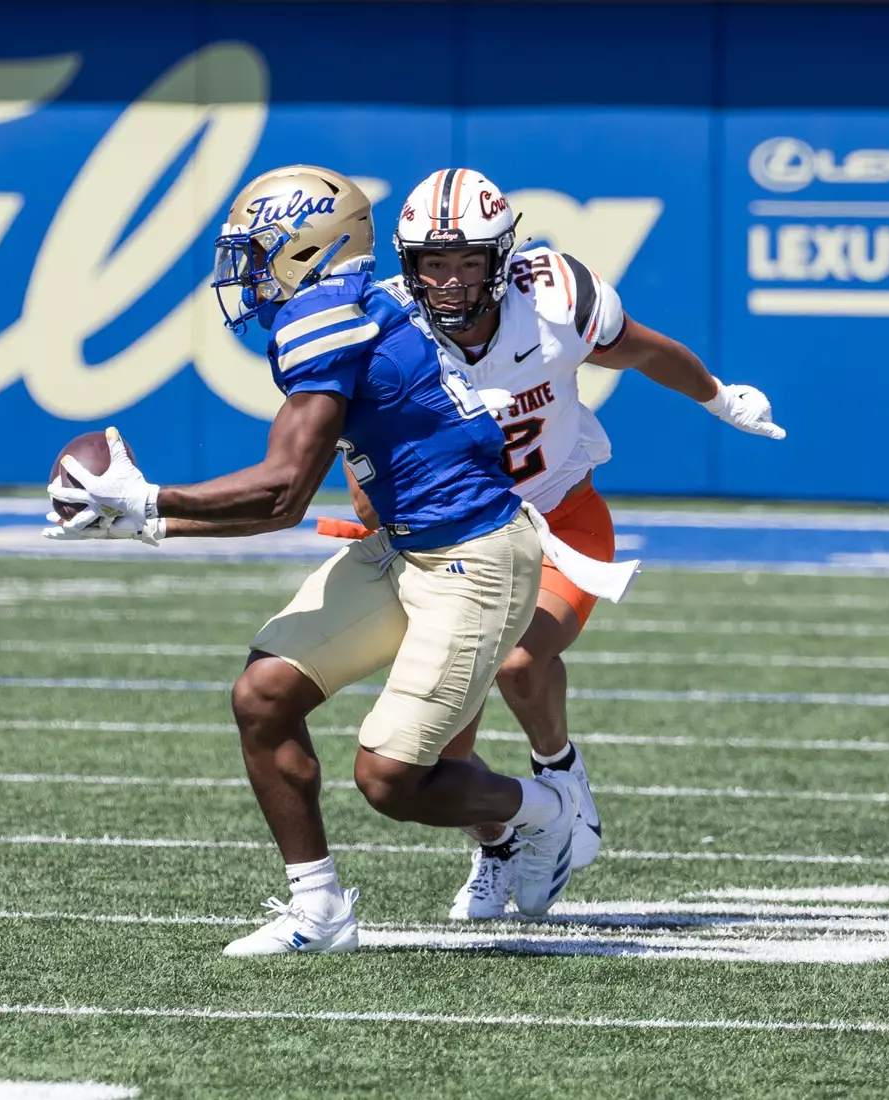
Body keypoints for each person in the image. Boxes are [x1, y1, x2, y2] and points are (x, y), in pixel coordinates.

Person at [43, 165, 639, 955]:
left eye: (257, 254)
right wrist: (150, 520)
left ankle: (546, 811)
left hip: (476, 557)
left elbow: (284, 493)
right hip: (408, 547)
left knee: (390, 781)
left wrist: (149, 505)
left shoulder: (328, 317)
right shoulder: (352, 303)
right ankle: (318, 911)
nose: (246, 273)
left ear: (304, 248)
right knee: (264, 695)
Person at [324, 168, 785, 920]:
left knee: (519, 660)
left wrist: (717, 394)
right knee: (439, 750)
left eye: (468, 261)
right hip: (458, 545)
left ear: (501, 259)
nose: (448, 280)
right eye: (432, 263)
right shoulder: (386, 327)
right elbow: (356, 447)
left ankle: (562, 778)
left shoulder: (554, 302)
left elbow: (643, 350)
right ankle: (501, 841)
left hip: (559, 519)